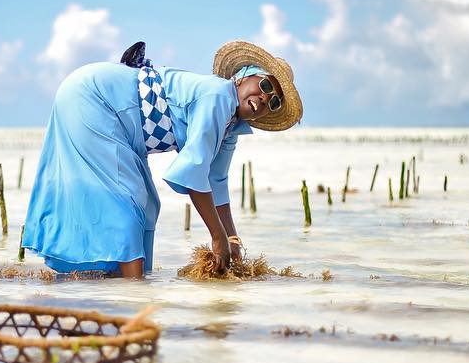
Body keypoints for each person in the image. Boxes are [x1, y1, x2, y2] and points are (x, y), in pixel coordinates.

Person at [21, 40, 303, 277]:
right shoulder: (218, 95)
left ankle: (116, 285)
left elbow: (215, 182)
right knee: (127, 202)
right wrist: (217, 238)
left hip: (117, 121)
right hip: (95, 99)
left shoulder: (230, 126)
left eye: (274, 102)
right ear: (244, 77)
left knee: (147, 205)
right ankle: (133, 297)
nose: (265, 100)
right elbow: (193, 171)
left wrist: (231, 239)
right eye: (266, 87)